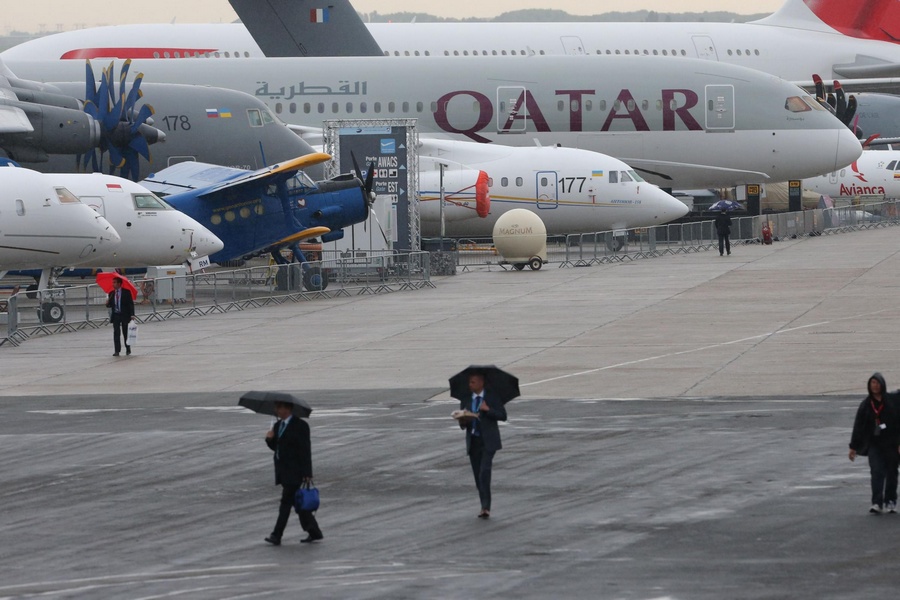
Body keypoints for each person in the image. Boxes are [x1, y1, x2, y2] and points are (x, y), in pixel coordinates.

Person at [264, 401, 323, 545]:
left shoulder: (300, 426)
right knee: (299, 504)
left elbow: (305, 450)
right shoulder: (278, 426)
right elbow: (277, 448)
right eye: (278, 408)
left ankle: (276, 535)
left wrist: (307, 472)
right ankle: (314, 532)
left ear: (289, 409)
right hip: (283, 471)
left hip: (296, 471)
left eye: (282, 408)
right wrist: (269, 439)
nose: (279, 411)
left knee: (285, 504)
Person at [849, 373, 900, 514]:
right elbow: (858, 426)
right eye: (872, 383)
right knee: (876, 471)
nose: (875, 386)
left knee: (891, 472)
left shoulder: (892, 402)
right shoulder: (866, 405)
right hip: (874, 444)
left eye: (877, 383)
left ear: (882, 385)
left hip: (891, 443)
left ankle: (890, 500)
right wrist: (853, 447)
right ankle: (876, 502)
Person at [459, 372, 507, 519]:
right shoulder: (466, 399)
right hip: (473, 441)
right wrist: (463, 419)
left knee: (484, 472)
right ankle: (483, 505)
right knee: (477, 476)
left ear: (481, 383)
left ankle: (486, 507)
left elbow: (503, 415)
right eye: (469, 382)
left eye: (473, 382)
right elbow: (463, 425)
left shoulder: (492, 397)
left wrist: (488, 410)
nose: (470, 385)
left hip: (488, 441)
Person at [105, 277, 134, 356]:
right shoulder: (112, 293)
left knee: (125, 332)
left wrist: (132, 314)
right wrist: (107, 303)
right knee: (116, 333)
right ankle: (117, 350)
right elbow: (110, 305)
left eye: (115, 282)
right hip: (116, 315)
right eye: (113, 282)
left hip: (124, 314)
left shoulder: (126, 292)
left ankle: (128, 348)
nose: (113, 284)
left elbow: (130, 304)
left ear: (119, 284)